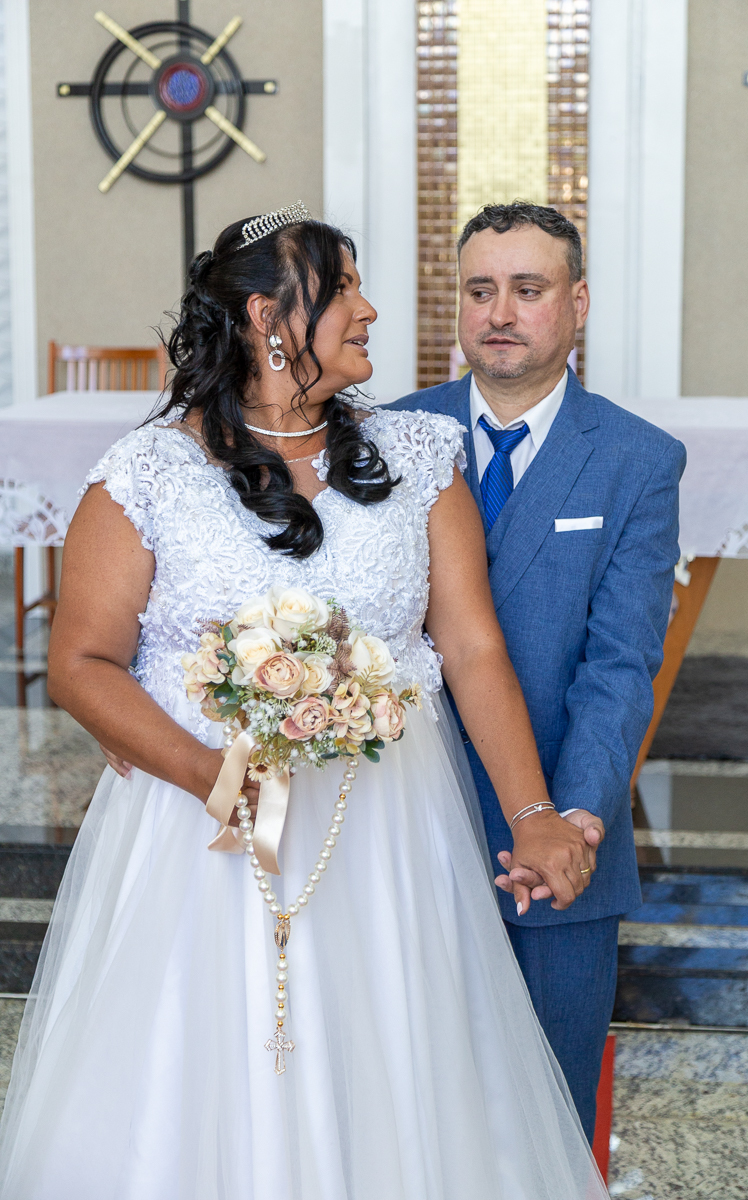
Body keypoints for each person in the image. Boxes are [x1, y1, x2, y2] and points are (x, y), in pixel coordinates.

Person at [0, 207, 607, 1199]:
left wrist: (534, 815)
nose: (369, 310)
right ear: (267, 318)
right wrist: (214, 778)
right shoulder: (147, 473)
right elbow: (81, 662)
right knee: (199, 1067)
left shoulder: (416, 457)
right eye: (345, 291)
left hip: (389, 829)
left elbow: (468, 647)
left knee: (391, 1058)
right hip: (197, 833)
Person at [387, 201, 685, 1140]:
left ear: (578, 301)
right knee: (406, 1107)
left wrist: (576, 816)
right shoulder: (386, 436)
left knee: (547, 1120)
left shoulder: (637, 459)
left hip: (559, 840)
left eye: (528, 289)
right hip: (403, 835)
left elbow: (620, 659)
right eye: (480, 290)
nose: (500, 312)